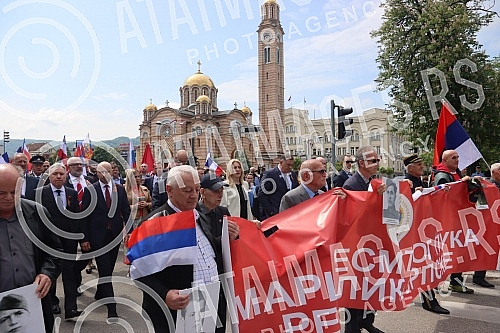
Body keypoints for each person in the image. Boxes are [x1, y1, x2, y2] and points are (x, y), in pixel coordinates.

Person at [137, 165, 235, 333]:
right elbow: (138, 270)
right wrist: (164, 294)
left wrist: (227, 238)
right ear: (170, 190)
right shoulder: (153, 224)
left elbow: (206, 250)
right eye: (187, 190)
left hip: (212, 302)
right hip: (178, 310)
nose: (194, 195)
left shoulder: (198, 215)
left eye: (197, 189)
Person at [0, 163, 62, 333]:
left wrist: (47, 273)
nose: (8, 197)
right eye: (1, 193)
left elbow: (55, 252)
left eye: (14, 192)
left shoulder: (37, 213)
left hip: (34, 304)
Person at [343, 146, 386, 333]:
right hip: (357, 246)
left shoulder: (374, 182)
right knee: (354, 290)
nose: (378, 164)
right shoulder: (351, 185)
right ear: (362, 163)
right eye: (374, 161)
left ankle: (366, 321)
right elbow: (352, 217)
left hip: (371, 243)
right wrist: (373, 198)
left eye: (378, 160)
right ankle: (352, 328)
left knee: (369, 286)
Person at [81, 161, 131, 320]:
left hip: (114, 235)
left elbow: (126, 212)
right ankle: (111, 306)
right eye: (101, 172)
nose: (105, 175)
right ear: (97, 173)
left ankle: (100, 291)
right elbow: (85, 217)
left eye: (108, 171)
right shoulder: (90, 190)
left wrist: (129, 232)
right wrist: (85, 238)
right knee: (104, 267)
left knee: (107, 268)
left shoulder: (120, 190)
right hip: (97, 236)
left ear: (113, 172)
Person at [403, 154, 450, 315]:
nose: (422, 167)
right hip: (413, 234)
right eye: (419, 165)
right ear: (410, 168)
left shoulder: (418, 181)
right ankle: (429, 301)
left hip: (422, 231)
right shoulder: (406, 183)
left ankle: (429, 300)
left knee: (424, 266)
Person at [39, 163, 83, 319]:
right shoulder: (40, 194)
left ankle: (71, 308)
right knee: (50, 273)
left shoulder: (72, 193)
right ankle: (53, 303)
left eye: (61, 174)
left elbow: (77, 217)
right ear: (49, 177)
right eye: (55, 174)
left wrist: (77, 237)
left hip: (68, 242)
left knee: (69, 274)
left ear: (66, 176)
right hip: (48, 242)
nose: (58, 176)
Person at [433, 150, 479, 293]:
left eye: (458, 157)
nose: (457, 159)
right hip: (448, 220)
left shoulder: (455, 173)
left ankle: (456, 281)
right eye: (454, 157)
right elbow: (443, 196)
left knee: (457, 252)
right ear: (445, 160)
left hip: (457, 219)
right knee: (444, 252)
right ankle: (434, 281)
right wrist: (461, 183)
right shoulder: (442, 175)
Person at [64, 157, 96, 275]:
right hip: (70, 224)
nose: (79, 167)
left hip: (87, 223)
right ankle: (74, 281)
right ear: (68, 167)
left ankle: (75, 271)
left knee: (88, 253)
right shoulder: (64, 181)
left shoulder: (90, 180)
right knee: (69, 257)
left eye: (80, 164)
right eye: (75, 165)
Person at [259, 154, 299, 219]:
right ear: (281, 163)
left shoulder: (292, 174)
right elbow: (261, 195)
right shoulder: (270, 174)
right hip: (276, 214)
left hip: (291, 214)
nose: (290, 167)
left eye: (292, 165)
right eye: (288, 165)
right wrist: (272, 211)